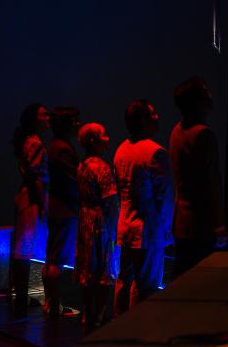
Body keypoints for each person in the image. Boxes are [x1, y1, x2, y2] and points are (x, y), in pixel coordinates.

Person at [112, 99, 174, 315]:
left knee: (124, 279)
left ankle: (115, 326)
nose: (158, 116)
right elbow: (164, 197)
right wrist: (166, 230)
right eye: (153, 113)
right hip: (147, 230)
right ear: (143, 121)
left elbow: (121, 191)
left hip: (126, 225)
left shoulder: (121, 149)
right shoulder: (155, 152)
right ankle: (136, 331)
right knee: (145, 285)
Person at [169, 77, 227, 281]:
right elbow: (210, 184)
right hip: (201, 226)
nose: (210, 96)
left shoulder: (177, 131)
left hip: (182, 223)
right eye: (205, 92)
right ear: (198, 101)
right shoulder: (203, 135)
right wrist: (219, 223)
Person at [75, 122, 119, 332]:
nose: (107, 139)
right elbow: (110, 201)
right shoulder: (101, 167)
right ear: (93, 140)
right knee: (104, 268)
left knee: (87, 268)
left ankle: (86, 313)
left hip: (85, 219)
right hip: (101, 222)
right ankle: (100, 317)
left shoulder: (82, 165)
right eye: (103, 135)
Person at [10, 103, 50, 312]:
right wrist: (42, 205)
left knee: (23, 250)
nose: (48, 117)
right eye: (44, 114)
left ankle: (21, 299)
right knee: (24, 250)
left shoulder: (28, 141)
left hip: (28, 198)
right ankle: (21, 301)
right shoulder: (34, 143)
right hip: (32, 200)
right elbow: (35, 177)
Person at [43, 106, 81, 318]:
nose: (78, 124)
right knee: (58, 258)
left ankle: (51, 302)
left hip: (57, 208)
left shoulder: (55, 146)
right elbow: (72, 183)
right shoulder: (63, 149)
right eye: (75, 120)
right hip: (65, 210)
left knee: (52, 256)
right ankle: (54, 304)